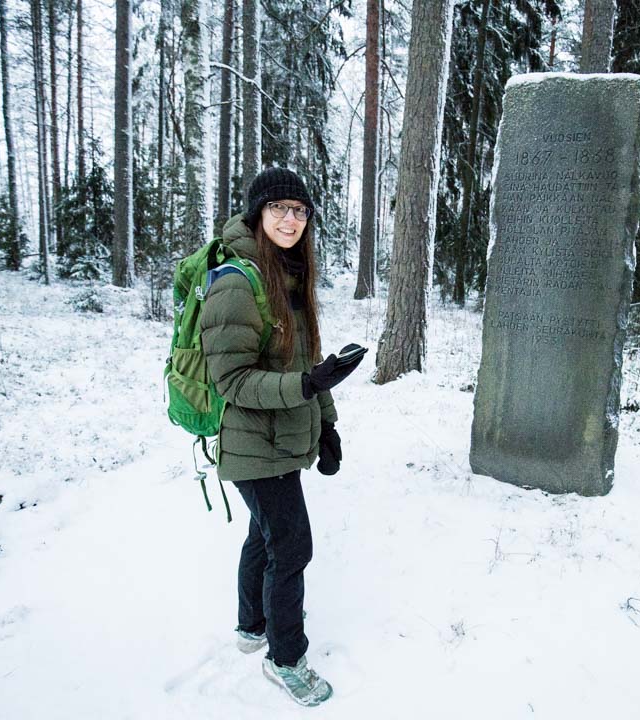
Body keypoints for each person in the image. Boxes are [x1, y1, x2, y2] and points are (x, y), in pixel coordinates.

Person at [200, 167, 365, 707]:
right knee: (291, 545)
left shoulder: (288, 275)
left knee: (265, 534)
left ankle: (252, 627)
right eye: (279, 209)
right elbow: (233, 379)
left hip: (281, 438)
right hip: (252, 444)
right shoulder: (235, 283)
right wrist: (304, 385)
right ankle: (286, 659)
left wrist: (328, 421)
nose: (291, 219)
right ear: (258, 214)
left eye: (300, 210)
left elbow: (306, 362)